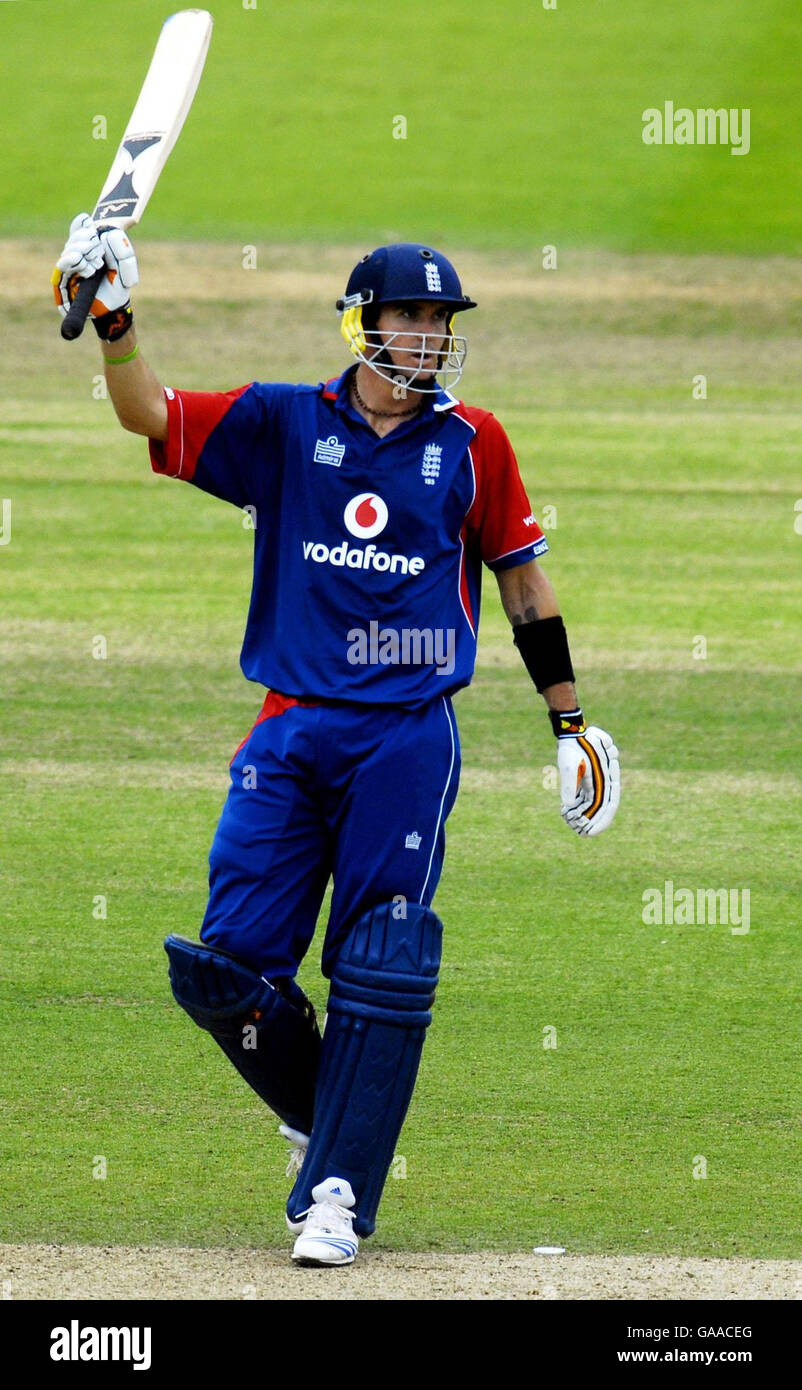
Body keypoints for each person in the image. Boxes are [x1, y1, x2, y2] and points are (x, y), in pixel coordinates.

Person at [53, 218, 621, 1267]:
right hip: (291, 724)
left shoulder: (473, 441)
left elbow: (522, 582)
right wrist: (117, 321)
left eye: (441, 321)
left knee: (383, 960)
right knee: (223, 969)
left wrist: (570, 720)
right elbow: (147, 413)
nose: (430, 336)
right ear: (364, 324)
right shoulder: (281, 422)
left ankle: (339, 1193)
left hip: (407, 734)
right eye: (411, 316)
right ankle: (329, 1116)